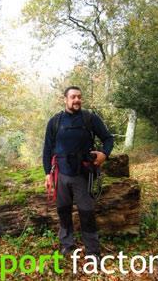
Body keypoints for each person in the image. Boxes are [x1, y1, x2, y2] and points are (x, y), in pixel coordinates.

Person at [42, 86, 113, 259]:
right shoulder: (55, 122)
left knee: (87, 214)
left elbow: (108, 138)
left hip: (84, 174)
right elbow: (47, 149)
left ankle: (93, 252)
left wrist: (104, 154)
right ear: (65, 99)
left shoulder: (90, 119)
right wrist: (47, 174)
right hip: (61, 174)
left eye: (79, 97)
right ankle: (67, 245)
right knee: (63, 211)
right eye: (73, 97)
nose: (77, 100)